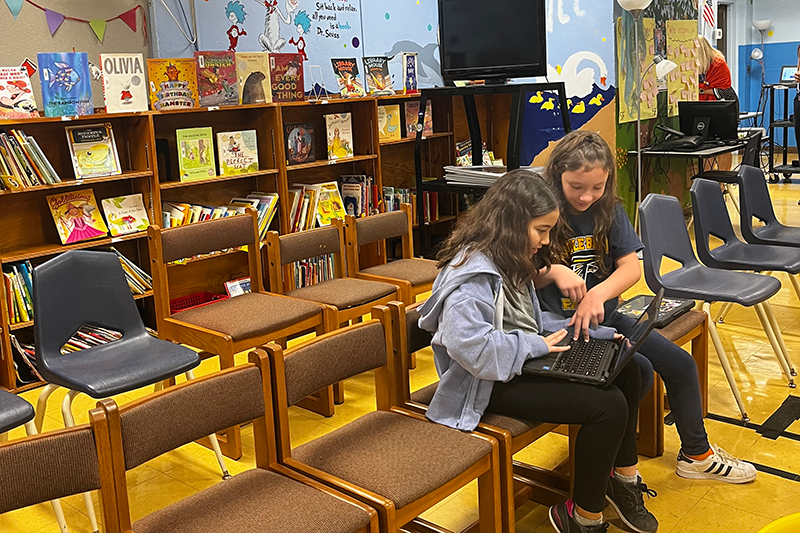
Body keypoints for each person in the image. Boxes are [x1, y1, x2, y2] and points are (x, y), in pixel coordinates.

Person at [417, 169, 659, 533]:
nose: (545, 242)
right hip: (481, 385)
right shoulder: (472, 277)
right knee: (607, 408)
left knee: (628, 369)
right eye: (541, 231)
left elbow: (528, 322)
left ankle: (621, 483)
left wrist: (599, 334)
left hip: (514, 362)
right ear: (512, 224)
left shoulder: (506, 257)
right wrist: (536, 345)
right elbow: (473, 350)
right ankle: (582, 518)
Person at [536, 130, 758, 486]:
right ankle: (613, 461)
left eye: (597, 187)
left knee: (681, 365)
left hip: (608, 319)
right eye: (576, 186)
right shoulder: (540, 210)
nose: (586, 196)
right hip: (558, 329)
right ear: (557, 175)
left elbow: (631, 268)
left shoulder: (608, 210)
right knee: (635, 374)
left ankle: (696, 455)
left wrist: (597, 294)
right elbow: (519, 273)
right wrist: (553, 272)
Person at [697, 35, 740, 117]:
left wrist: (700, 91)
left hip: (724, 104)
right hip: (703, 104)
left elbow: (724, 90)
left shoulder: (718, 63)